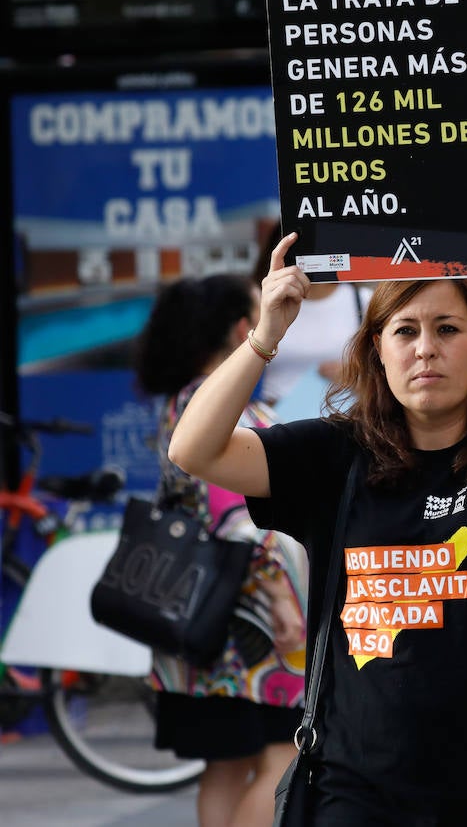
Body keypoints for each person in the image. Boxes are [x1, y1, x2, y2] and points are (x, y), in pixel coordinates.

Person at [167, 214, 467, 824]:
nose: (425, 349)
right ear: (377, 351)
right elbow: (193, 450)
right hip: (355, 790)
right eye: (405, 331)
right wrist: (265, 337)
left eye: (448, 329)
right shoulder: (332, 454)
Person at [132, 274, 307, 827]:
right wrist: (280, 597)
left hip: (204, 617)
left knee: (227, 766)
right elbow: (236, 517)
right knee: (287, 757)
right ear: (240, 329)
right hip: (245, 623)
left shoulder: (184, 398)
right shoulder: (213, 399)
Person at [252, 225, 372, 421]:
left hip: (346, 426)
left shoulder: (363, 300)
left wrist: (355, 378)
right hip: (272, 426)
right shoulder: (261, 303)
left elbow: (387, 374)